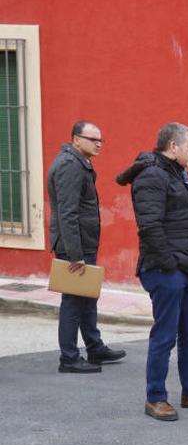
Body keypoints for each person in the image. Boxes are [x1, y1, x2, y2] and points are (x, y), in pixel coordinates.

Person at [117, 122, 188, 421]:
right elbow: (150, 226)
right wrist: (170, 263)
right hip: (166, 269)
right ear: (173, 146)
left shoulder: (178, 172)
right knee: (165, 335)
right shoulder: (151, 175)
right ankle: (155, 397)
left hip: (186, 266)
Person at [47, 121, 126, 374]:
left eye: (100, 140)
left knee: (88, 297)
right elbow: (68, 213)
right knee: (72, 301)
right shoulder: (70, 165)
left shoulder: (79, 162)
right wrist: (75, 254)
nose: (98, 144)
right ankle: (69, 358)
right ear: (76, 140)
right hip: (75, 246)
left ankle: (94, 347)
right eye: (93, 139)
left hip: (83, 243)